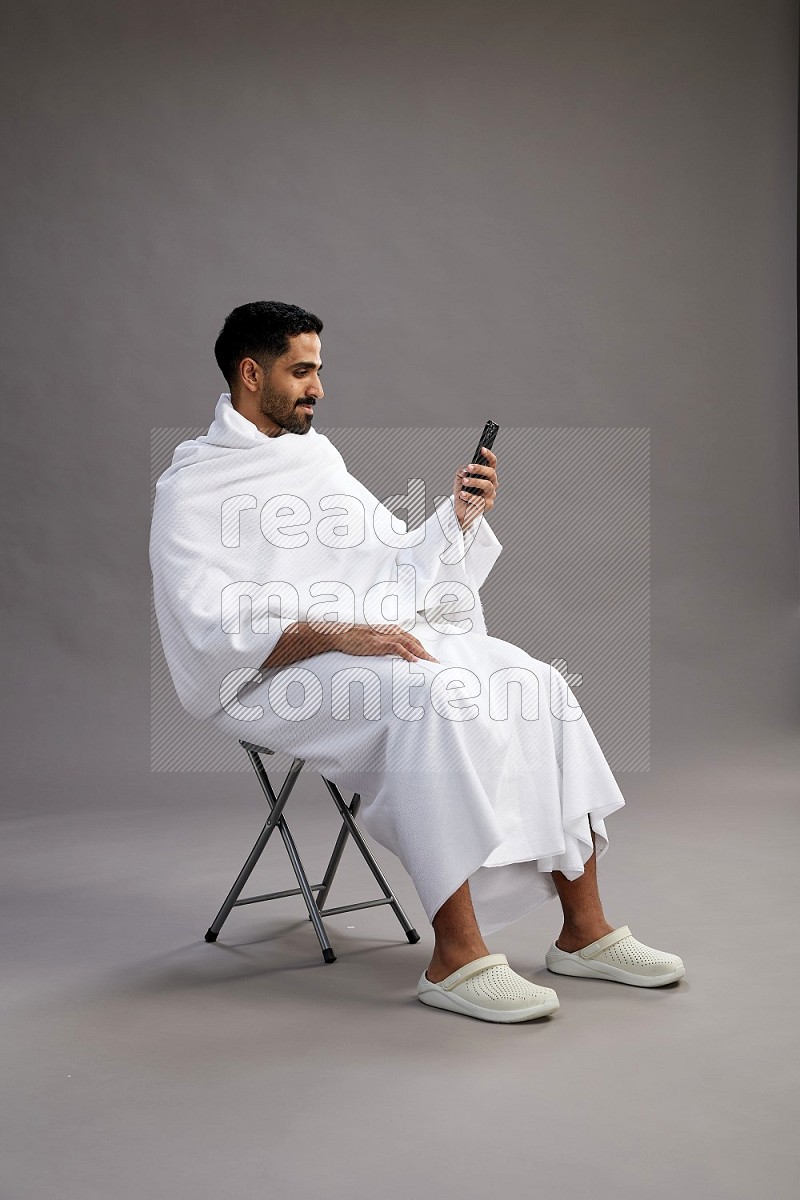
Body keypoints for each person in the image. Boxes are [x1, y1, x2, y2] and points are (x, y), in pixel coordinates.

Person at [149, 300, 685, 1024]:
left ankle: (582, 932)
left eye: (319, 370)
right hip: (265, 674)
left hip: (353, 644)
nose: (318, 387)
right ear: (251, 373)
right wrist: (339, 633)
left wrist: (458, 518)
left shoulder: (313, 457)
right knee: (424, 697)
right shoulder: (193, 487)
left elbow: (389, 560)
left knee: (538, 684)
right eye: (301, 371)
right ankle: (455, 956)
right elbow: (205, 627)